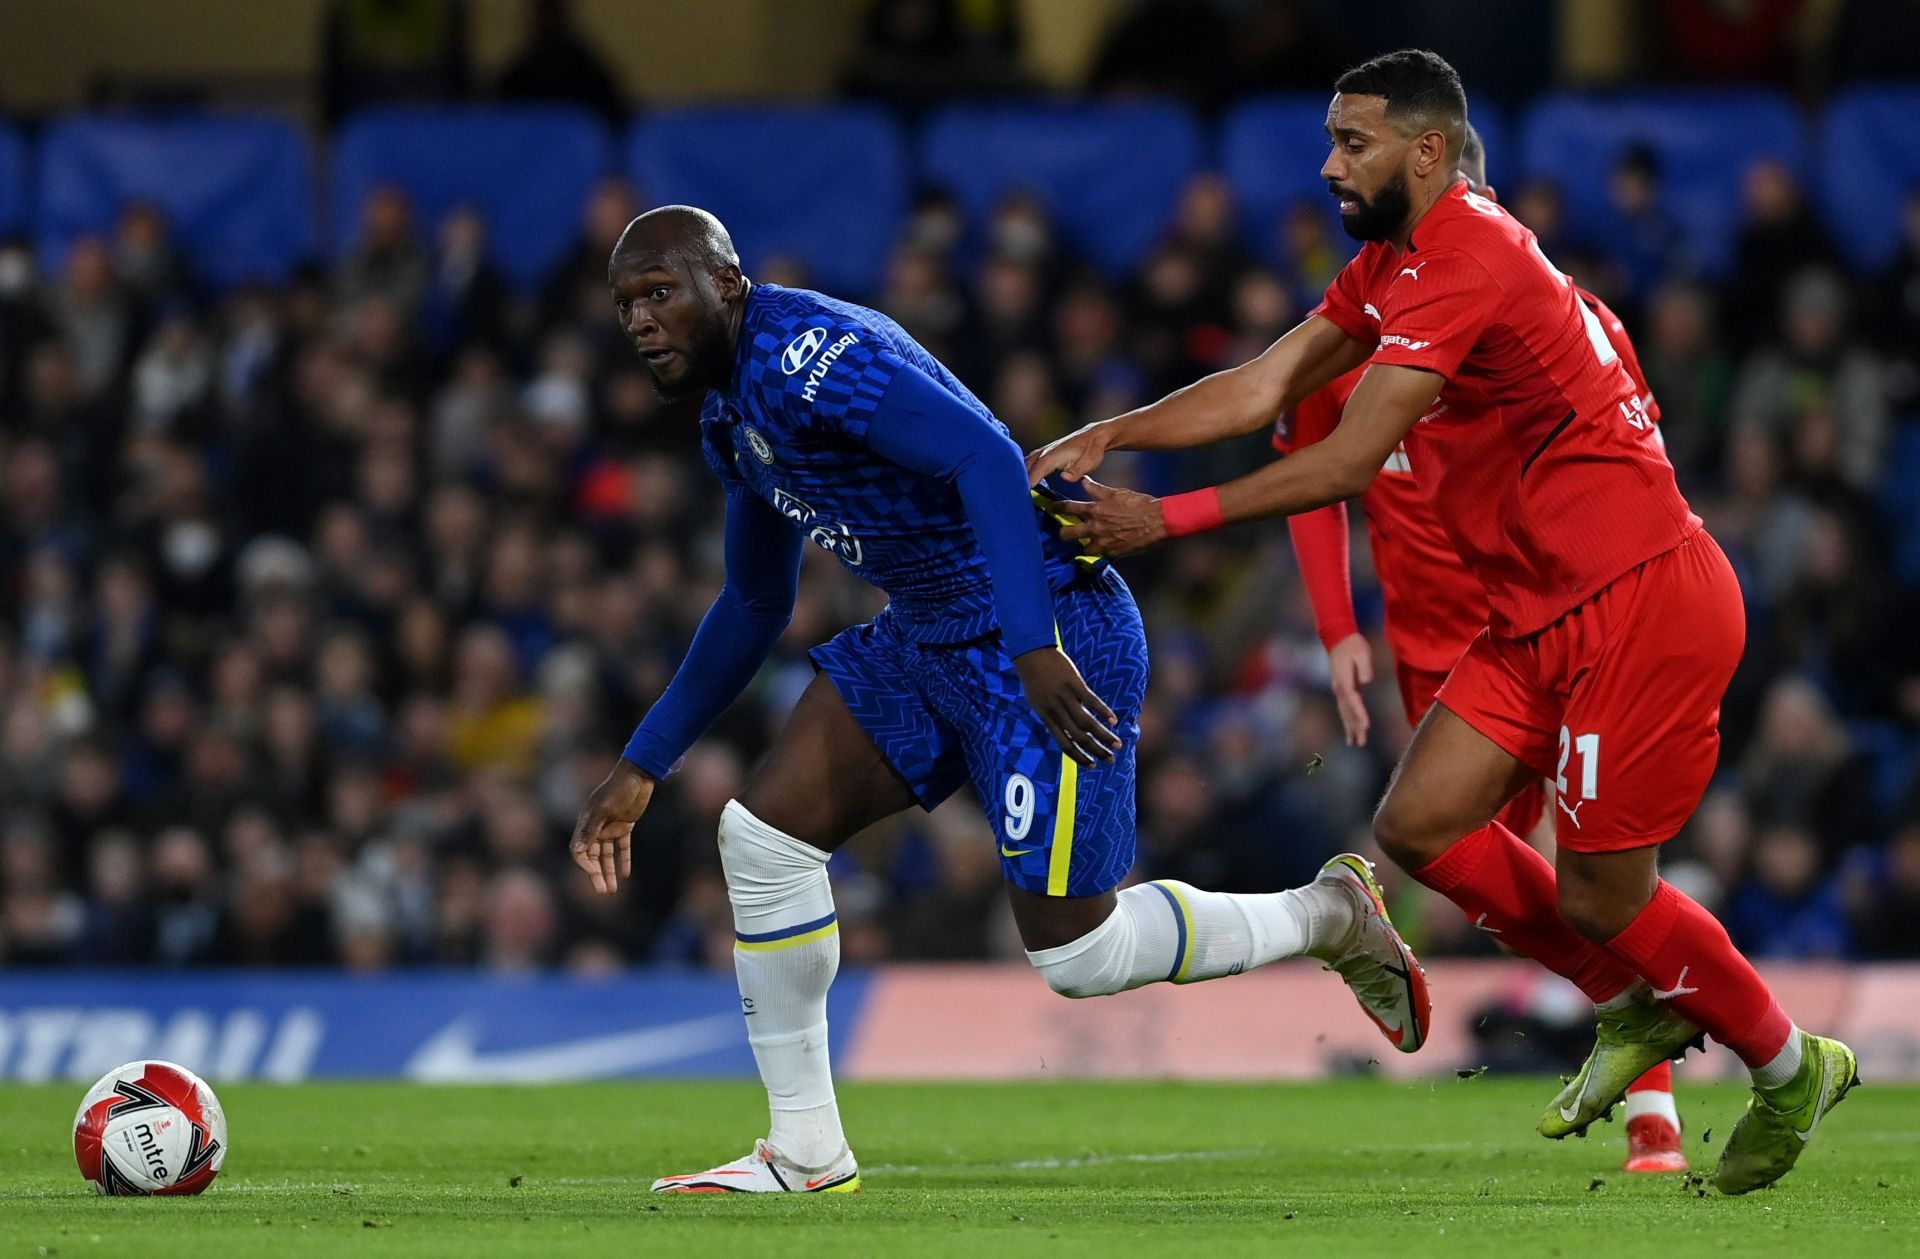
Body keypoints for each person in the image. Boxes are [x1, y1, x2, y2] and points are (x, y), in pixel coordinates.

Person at [1027, 49, 1855, 1196]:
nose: (1326, 165)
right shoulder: (1389, 267)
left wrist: (1163, 518)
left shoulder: (1472, 253)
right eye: (1328, 140)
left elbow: (1352, 456)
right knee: (1418, 824)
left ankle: (1784, 1059)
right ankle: (1630, 1007)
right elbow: (1269, 385)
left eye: (1351, 142)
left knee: (1602, 890)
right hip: (1529, 610)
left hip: (1637, 601)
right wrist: (1112, 430)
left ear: (1428, 150)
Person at [567, 206, 1432, 1195]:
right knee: (763, 839)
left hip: (1048, 623)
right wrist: (644, 760)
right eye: (626, 302)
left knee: (1080, 954)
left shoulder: (806, 356)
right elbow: (758, 598)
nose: (640, 319)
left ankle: (1327, 914)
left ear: (725, 283)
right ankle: (805, 1148)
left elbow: (983, 452)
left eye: (660, 291)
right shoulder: (735, 411)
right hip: (931, 628)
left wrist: (1032, 648)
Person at [1277, 121, 1689, 1176]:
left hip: (1552, 623)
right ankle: (1610, 1003)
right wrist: (1337, 628)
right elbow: (1313, 477)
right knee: (1486, 872)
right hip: (1434, 652)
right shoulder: (1360, 331)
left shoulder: (1534, 323)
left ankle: (1654, 1104)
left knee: (1591, 856)